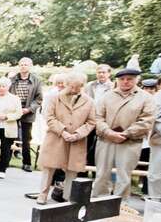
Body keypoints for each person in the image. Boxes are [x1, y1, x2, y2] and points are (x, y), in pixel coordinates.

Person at [93, 68, 157, 197]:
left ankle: (121, 207)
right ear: (117, 80)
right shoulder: (107, 95)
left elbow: (147, 120)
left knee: (124, 176)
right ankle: (97, 203)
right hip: (106, 140)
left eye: (130, 79)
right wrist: (108, 132)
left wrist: (126, 134)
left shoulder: (146, 98)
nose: (125, 82)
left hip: (130, 142)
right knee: (101, 175)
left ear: (137, 80)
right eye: (122, 79)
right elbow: (97, 117)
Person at [37, 73, 95, 204]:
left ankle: (67, 196)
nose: (73, 89)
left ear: (82, 86)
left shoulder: (89, 101)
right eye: (71, 86)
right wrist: (62, 131)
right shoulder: (55, 98)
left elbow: (91, 122)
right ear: (66, 84)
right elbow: (49, 117)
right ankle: (43, 194)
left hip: (77, 140)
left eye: (77, 87)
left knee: (72, 169)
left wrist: (78, 134)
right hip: (56, 137)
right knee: (48, 166)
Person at [9, 57, 43, 172]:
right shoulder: (13, 79)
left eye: (26, 64)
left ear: (30, 66)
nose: (23, 66)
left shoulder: (36, 80)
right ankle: (6, 160)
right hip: (14, 111)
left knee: (26, 139)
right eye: (21, 64)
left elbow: (39, 99)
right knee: (9, 136)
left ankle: (27, 163)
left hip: (27, 112)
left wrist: (29, 109)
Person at [148, 81, 161, 196]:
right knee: (156, 175)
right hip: (159, 141)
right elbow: (155, 119)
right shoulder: (157, 98)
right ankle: (155, 202)